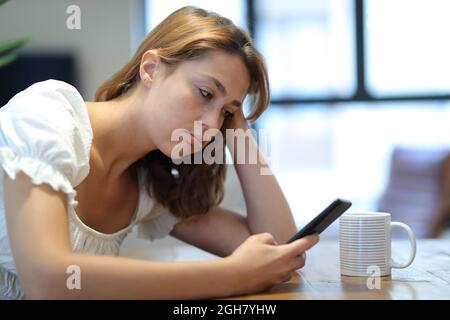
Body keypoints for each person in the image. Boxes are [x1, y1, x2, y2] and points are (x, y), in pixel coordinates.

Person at [0, 6, 319, 299]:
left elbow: (281, 251)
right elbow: (47, 281)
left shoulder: (148, 183)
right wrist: (232, 274)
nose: (211, 125)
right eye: (205, 93)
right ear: (151, 68)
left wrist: (239, 130)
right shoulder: (47, 118)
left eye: (224, 112)